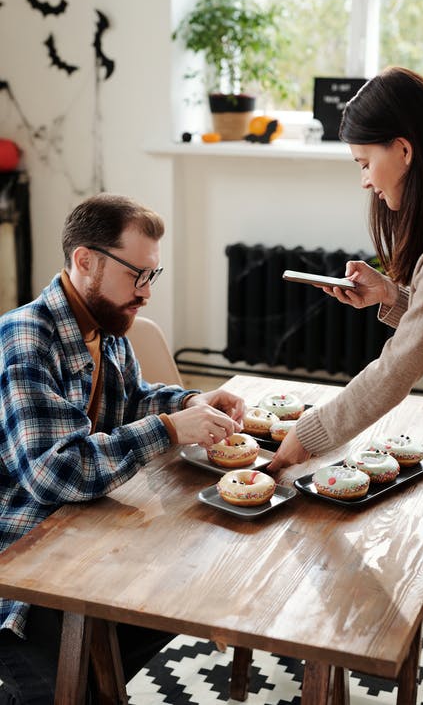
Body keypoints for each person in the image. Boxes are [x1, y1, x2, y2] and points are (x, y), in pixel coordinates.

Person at [268, 66, 423, 702]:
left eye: (364, 160)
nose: (364, 178)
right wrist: (395, 299)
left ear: (404, 148)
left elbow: (400, 368)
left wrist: (304, 437)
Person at [0, 192, 245, 703]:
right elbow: (55, 471)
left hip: (81, 535)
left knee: (192, 595)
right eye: (137, 274)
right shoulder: (25, 338)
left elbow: (133, 400)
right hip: (20, 566)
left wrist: (192, 401)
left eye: (151, 276)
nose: (146, 293)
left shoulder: (105, 326)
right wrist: (172, 428)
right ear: (84, 261)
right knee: (80, 683)